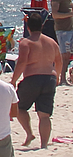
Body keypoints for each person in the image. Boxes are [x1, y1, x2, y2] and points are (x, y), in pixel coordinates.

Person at [12, 10, 61, 148]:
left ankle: (29, 133)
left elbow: (22, 63)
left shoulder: (26, 43)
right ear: (42, 26)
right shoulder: (52, 43)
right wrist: (57, 77)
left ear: (28, 27)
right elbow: (59, 62)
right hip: (50, 79)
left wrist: (14, 80)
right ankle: (44, 144)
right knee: (45, 115)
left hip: (33, 78)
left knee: (19, 107)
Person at [57, 0, 73, 85]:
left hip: (69, 29)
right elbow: (55, 14)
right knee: (64, 54)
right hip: (62, 29)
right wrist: (70, 14)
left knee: (67, 54)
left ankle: (64, 77)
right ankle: (62, 78)